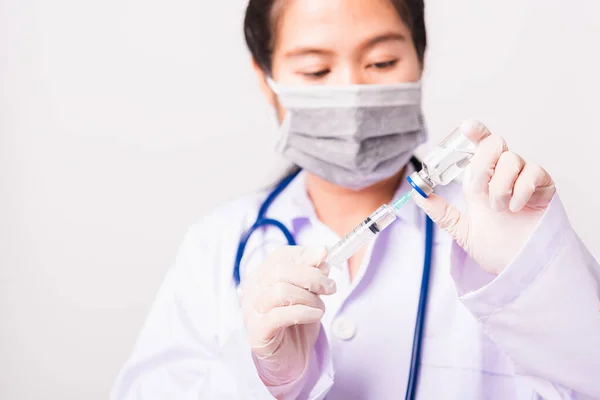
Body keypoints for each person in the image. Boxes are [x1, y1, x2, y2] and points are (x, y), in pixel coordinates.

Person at [111, 0, 600, 399]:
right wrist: (262, 375)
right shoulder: (218, 244)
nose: (352, 92)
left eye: (382, 62)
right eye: (316, 69)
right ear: (267, 81)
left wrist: (535, 276)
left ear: (419, 62)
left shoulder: (496, 232)